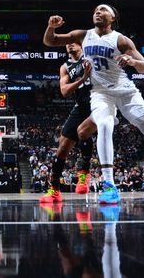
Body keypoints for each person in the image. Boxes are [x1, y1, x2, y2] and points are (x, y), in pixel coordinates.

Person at [43, 5, 144, 205]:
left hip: (126, 93)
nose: (98, 11)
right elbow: (50, 40)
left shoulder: (120, 40)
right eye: (96, 9)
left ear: (112, 17)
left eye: (103, 10)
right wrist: (51, 27)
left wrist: (131, 60)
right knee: (104, 124)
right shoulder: (82, 35)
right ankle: (109, 185)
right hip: (101, 94)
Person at [40, 42, 96, 204]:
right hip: (80, 106)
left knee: (82, 131)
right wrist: (82, 80)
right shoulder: (65, 67)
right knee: (62, 148)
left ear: (81, 45)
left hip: (98, 103)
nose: (69, 45)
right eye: (67, 43)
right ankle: (54, 190)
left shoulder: (91, 57)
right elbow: (64, 91)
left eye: (73, 42)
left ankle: (84, 173)